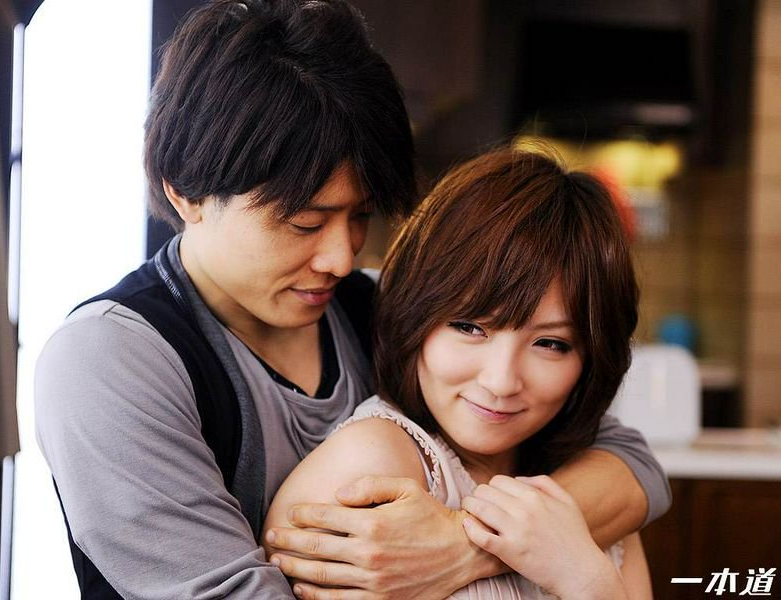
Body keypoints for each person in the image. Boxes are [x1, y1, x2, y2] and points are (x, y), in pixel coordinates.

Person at [34, 1, 669, 598]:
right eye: (304, 223)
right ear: (186, 192)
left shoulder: (373, 307)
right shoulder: (112, 358)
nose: (342, 258)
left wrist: (459, 547)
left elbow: (626, 460)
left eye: (360, 216)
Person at [265, 146, 653, 599]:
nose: (501, 381)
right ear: (414, 314)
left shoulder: (591, 486)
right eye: (469, 327)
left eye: (551, 344)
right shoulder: (370, 467)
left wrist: (584, 575)